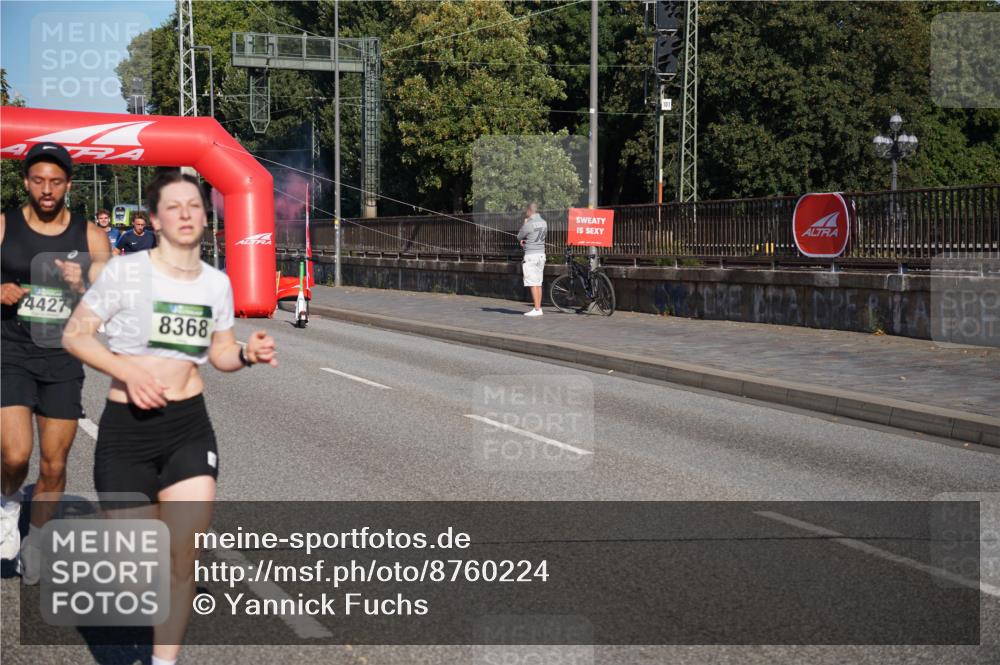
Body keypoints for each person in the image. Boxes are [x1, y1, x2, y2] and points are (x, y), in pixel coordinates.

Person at [62, 169, 277, 665]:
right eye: (174, 207)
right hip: (126, 432)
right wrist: (127, 373)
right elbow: (75, 335)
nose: (186, 214)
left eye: (195, 206)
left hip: (187, 427)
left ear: (206, 217)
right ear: (155, 219)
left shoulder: (216, 284)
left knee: (183, 559)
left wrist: (247, 353)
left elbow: (220, 353)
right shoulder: (124, 274)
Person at [0, 142, 111, 581]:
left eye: (56, 181)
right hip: (10, 350)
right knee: (14, 454)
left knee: (54, 463)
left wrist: (83, 282)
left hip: (63, 355)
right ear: (26, 181)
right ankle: (8, 509)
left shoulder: (90, 236)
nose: (47, 190)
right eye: (39, 180)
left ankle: (38, 539)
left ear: (68, 184)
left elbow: (112, 297)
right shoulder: (5, 225)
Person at [516, 202, 547, 317]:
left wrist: (525, 223)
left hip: (531, 256)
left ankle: (537, 309)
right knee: (538, 282)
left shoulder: (529, 223)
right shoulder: (544, 222)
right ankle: (538, 307)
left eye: (526, 211)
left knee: (532, 282)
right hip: (541, 255)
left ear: (530, 211)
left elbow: (519, 236)